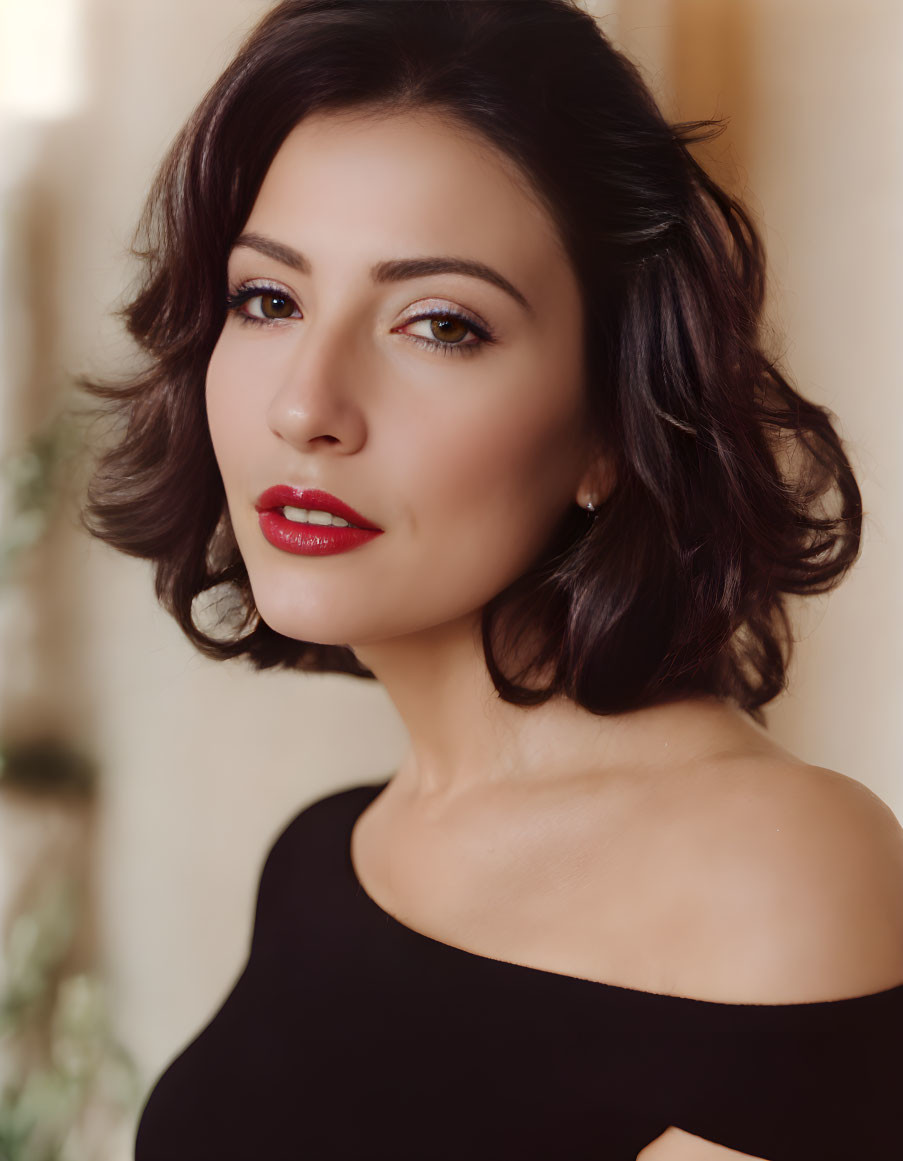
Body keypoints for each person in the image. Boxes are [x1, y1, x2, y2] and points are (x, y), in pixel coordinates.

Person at [80, 1, 903, 1157]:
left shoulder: (775, 872)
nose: (305, 405)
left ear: (613, 419)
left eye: (439, 325)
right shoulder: (325, 857)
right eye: (269, 299)